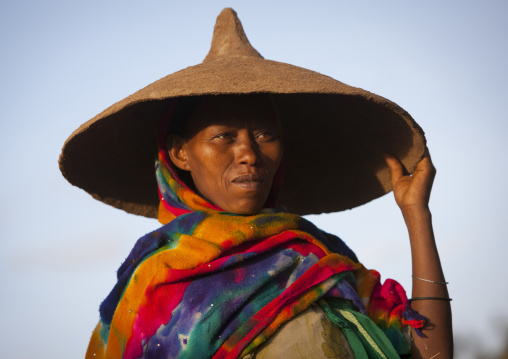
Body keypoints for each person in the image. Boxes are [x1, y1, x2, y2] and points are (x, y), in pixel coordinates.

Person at [59, 8, 452, 359]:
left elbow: (429, 354)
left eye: (265, 135)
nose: (248, 153)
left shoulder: (321, 261)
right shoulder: (152, 290)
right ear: (180, 153)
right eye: (224, 137)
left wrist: (417, 216)